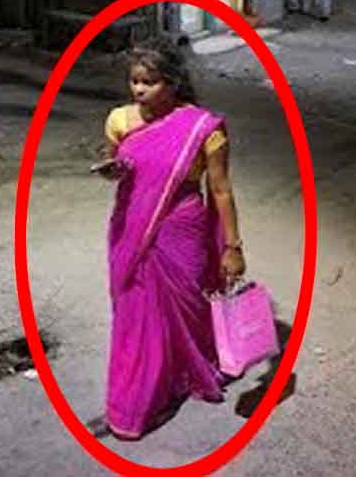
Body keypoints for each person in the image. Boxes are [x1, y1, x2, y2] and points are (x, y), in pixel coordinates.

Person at [92, 38, 248, 441]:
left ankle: (179, 375)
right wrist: (114, 171)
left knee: (184, 309)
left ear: (173, 83)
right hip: (132, 224)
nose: (139, 90)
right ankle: (135, 401)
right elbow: (123, 165)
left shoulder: (203, 129)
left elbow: (221, 191)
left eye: (150, 81)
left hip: (182, 228)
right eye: (135, 81)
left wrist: (232, 248)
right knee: (136, 314)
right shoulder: (120, 120)